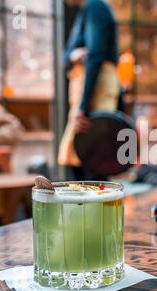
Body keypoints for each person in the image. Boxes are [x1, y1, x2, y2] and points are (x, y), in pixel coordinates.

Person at [58, 0, 120, 180]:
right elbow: (65, 56)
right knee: (80, 155)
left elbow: (95, 55)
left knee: (92, 155)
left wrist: (83, 107)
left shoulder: (95, 7)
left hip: (95, 91)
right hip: (87, 92)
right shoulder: (86, 11)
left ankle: (94, 207)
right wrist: (73, 55)